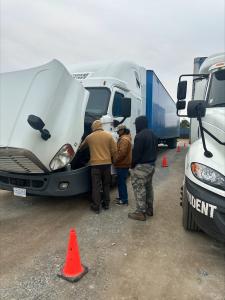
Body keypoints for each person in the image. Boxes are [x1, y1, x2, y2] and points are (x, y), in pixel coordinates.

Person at [80, 120, 117, 213]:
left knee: (96, 186)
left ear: (93, 127)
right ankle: (106, 204)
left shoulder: (89, 137)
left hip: (95, 166)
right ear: (101, 126)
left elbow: (81, 147)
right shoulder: (108, 136)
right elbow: (114, 150)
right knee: (106, 185)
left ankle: (96, 207)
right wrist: (114, 161)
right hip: (107, 165)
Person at [128, 116, 157, 221]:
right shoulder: (153, 134)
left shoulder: (140, 136)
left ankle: (140, 212)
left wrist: (132, 166)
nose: (136, 126)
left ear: (140, 124)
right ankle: (149, 209)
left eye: (136, 124)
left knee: (139, 189)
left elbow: (136, 155)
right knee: (149, 188)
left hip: (141, 167)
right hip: (151, 165)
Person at [114, 124, 132, 205]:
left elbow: (122, 153)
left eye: (119, 131)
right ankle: (122, 197)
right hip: (124, 164)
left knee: (121, 182)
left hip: (122, 164)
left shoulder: (124, 139)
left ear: (122, 131)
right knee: (121, 182)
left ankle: (124, 200)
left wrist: (115, 160)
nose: (118, 133)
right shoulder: (126, 138)